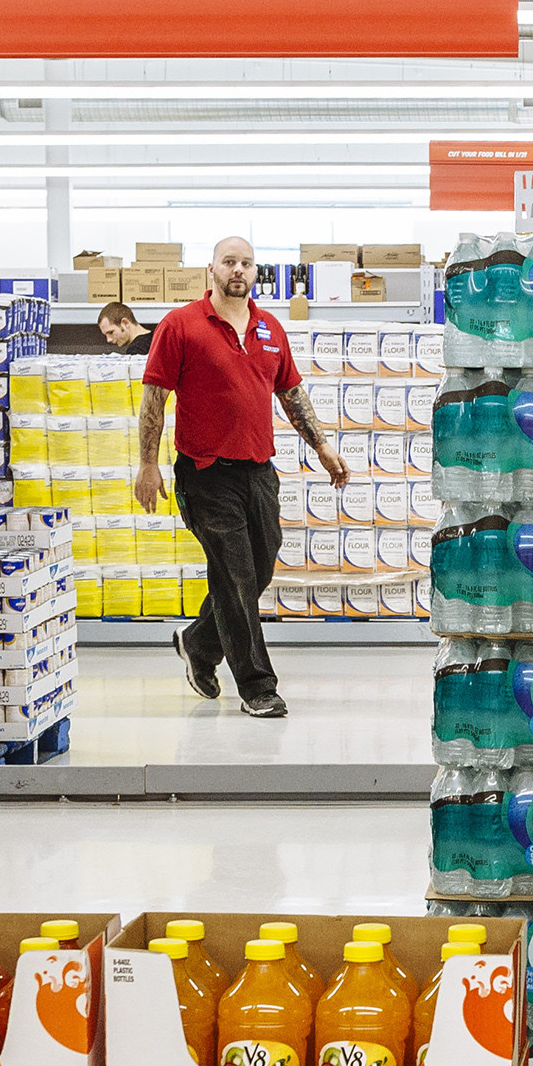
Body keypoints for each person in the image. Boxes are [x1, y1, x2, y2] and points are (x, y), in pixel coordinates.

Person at [135, 235, 345, 719]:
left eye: (247, 263)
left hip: (258, 471)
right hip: (205, 473)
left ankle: (199, 644)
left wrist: (324, 446)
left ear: (256, 273)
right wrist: (147, 464)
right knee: (234, 572)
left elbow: (291, 394)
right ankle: (257, 686)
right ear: (211, 269)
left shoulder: (270, 328)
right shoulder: (181, 325)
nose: (239, 270)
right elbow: (153, 401)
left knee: (259, 567)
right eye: (229, 262)